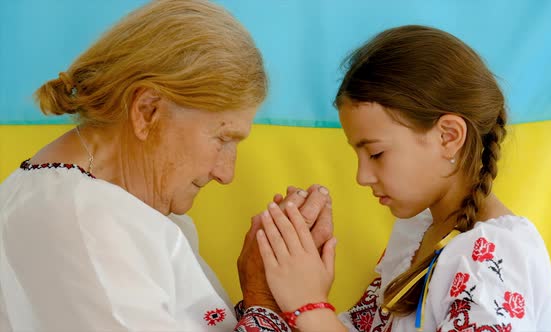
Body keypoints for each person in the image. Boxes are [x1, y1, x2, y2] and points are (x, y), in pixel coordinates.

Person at [0, 1, 333, 331]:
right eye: (222, 139)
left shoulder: (91, 204)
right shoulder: (86, 225)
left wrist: (261, 295)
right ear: (147, 111)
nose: (225, 173)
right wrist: (264, 304)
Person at [254, 25, 551, 331]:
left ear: (448, 136)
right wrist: (296, 267)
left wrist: (309, 306)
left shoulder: (494, 259)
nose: (361, 176)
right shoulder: (416, 234)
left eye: (375, 154)